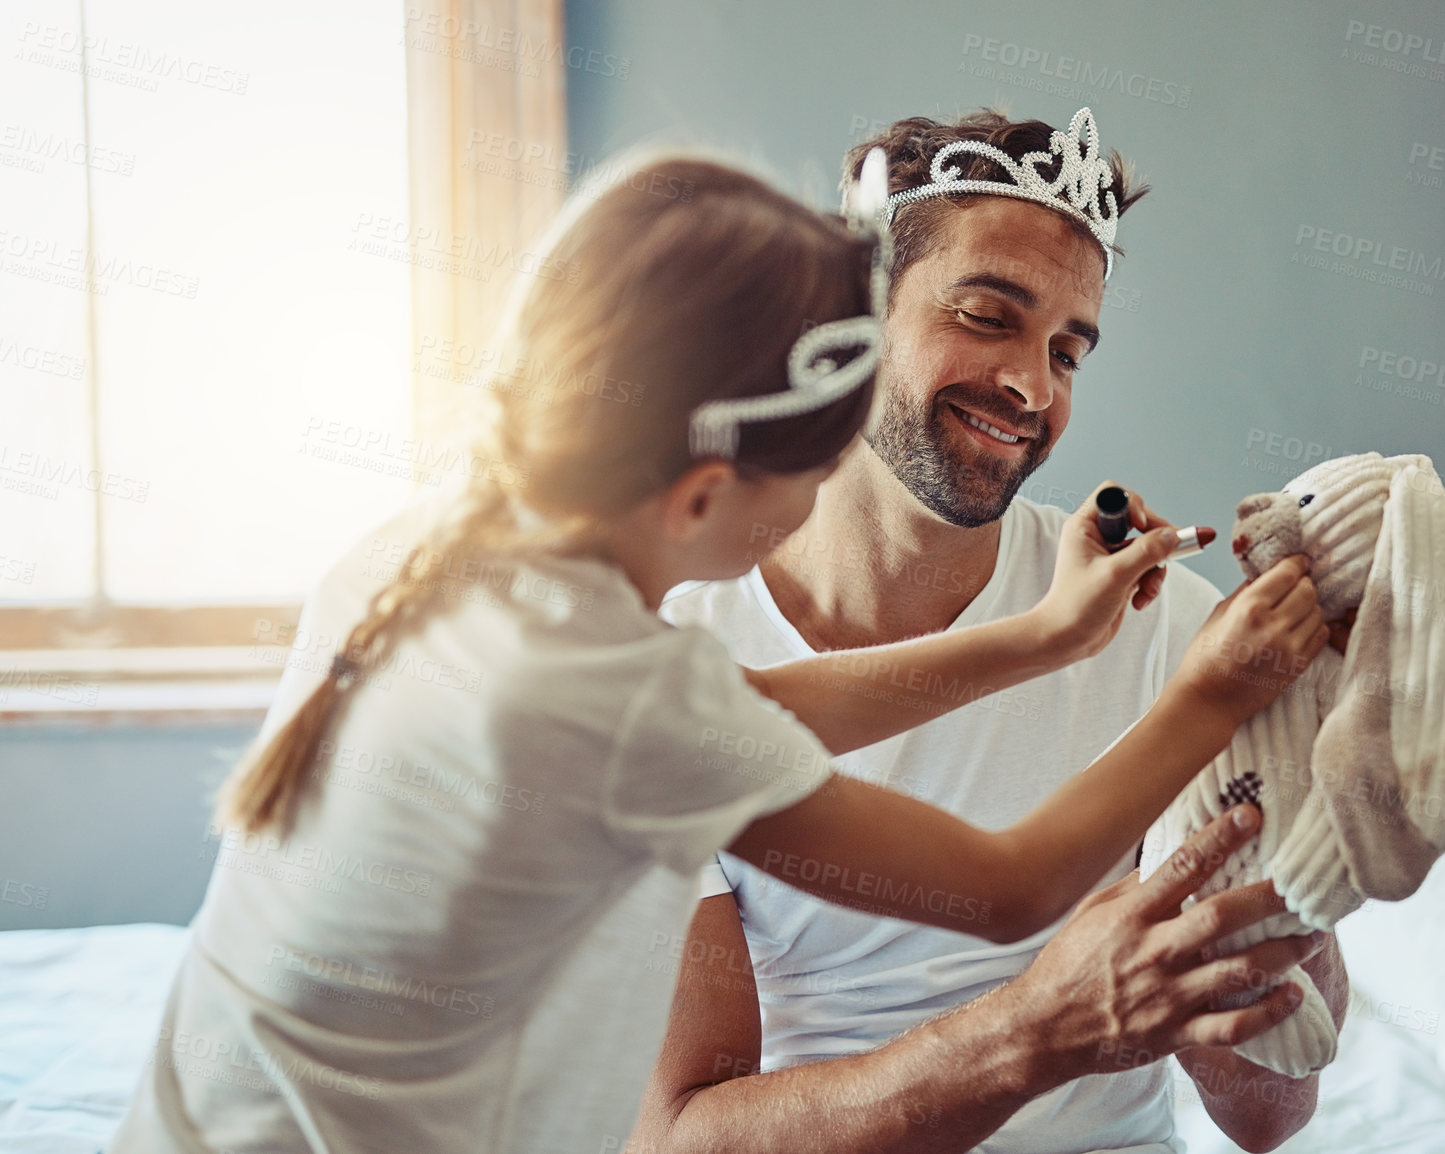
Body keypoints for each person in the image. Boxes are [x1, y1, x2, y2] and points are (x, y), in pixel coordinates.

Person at [109, 149, 1324, 1154]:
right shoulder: (616, 693)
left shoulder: (432, 558)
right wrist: (1212, 688)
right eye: (802, 478)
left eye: (1069, 348)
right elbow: (1006, 885)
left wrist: (1044, 635)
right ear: (700, 496)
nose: (810, 509)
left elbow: (763, 709)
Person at [638, 110, 1350, 1154]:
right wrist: (1044, 1027)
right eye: (984, 315)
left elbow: (1269, 1117)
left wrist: (1271, 908)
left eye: (1069, 348)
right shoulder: (666, 669)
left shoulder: (1170, 632)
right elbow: (678, 1138)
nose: (1034, 386)